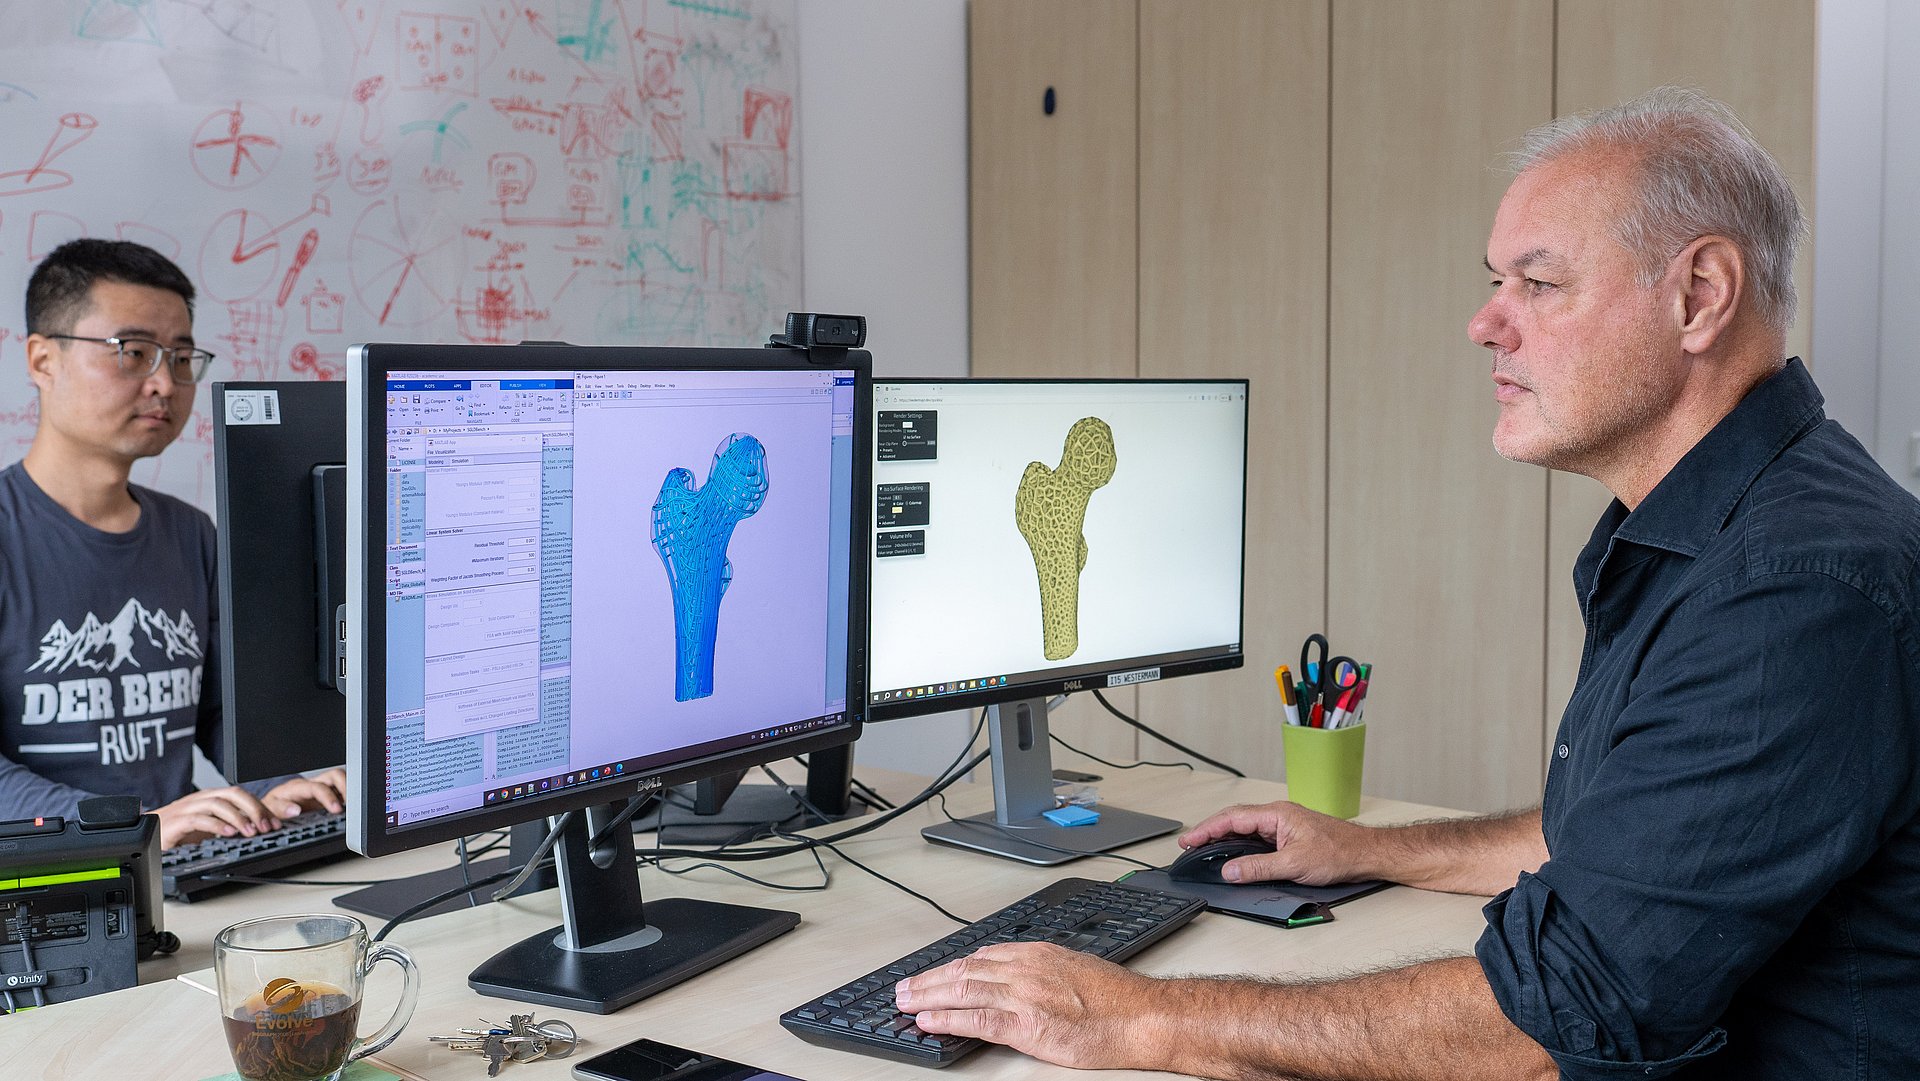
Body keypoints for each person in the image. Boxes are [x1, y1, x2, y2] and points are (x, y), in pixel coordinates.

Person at [895, 88, 1920, 1079]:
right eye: (1493, 281)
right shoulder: (1714, 530)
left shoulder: (1796, 589)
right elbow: (1624, 833)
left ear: (1700, 295)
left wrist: (1142, 1015)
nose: (1486, 323)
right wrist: (1376, 849)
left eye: (1539, 283)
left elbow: (1554, 1023)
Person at [0, 239, 345, 849]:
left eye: (182, 357)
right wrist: (135, 827)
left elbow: (219, 713)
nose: (164, 381)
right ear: (42, 360)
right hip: (46, 887)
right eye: (133, 353)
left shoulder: (190, 533)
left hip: (181, 868)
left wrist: (281, 785)